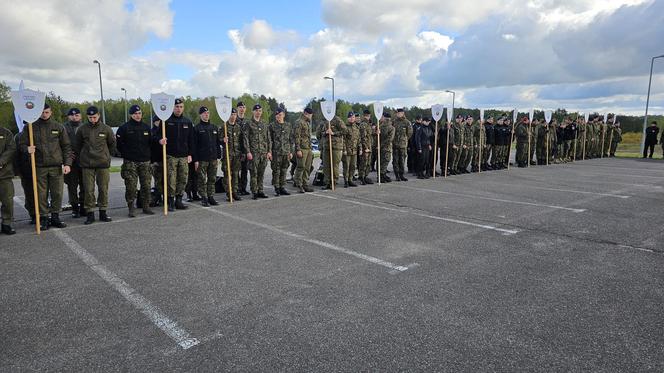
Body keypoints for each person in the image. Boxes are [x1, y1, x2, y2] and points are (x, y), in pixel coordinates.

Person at [19, 104, 72, 230]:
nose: (44, 114)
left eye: (47, 112)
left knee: (57, 193)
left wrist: (68, 164)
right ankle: (43, 218)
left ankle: (55, 216)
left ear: (51, 112)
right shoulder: (30, 127)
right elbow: (21, 145)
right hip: (39, 166)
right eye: (42, 112)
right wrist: (27, 149)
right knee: (41, 194)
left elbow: (66, 147)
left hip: (56, 166)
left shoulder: (58, 127)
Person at [74, 106, 116, 225]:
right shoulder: (82, 129)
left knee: (103, 189)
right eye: (90, 117)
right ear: (87, 117)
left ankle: (103, 212)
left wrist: (107, 156)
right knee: (88, 190)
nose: (92, 119)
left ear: (99, 116)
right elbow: (77, 146)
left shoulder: (106, 129)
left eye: (95, 117)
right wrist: (82, 157)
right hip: (87, 164)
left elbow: (112, 144)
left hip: (102, 164)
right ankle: (90, 214)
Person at [156, 98, 194, 211]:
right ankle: (171, 201)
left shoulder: (187, 122)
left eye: (181, 107)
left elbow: (191, 140)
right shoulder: (166, 121)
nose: (179, 109)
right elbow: (157, 136)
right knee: (171, 180)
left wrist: (190, 154)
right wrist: (160, 140)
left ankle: (179, 200)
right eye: (177, 107)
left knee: (183, 179)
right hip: (171, 156)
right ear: (173, 107)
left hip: (184, 156)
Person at [116, 105, 154, 217]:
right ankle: (131, 207)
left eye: (139, 113)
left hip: (145, 161)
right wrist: (127, 154)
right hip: (130, 162)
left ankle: (146, 206)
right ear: (131, 115)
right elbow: (119, 145)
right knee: (131, 186)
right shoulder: (124, 128)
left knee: (146, 186)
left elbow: (151, 143)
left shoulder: (146, 127)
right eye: (135, 114)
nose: (138, 116)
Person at [192, 106, 222, 206]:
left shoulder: (214, 128)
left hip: (213, 158)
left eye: (208, 113)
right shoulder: (197, 128)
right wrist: (195, 160)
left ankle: (211, 196)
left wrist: (218, 156)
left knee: (212, 178)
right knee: (201, 179)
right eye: (204, 113)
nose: (206, 115)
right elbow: (194, 146)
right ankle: (203, 197)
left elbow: (217, 143)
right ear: (200, 115)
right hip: (202, 159)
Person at [62, 108, 85, 218]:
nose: (74, 117)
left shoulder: (85, 127)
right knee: (72, 187)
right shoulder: (63, 128)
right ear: (68, 116)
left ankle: (84, 206)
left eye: (77, 115)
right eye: (72, 115)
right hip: (70, 162)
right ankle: (75, 208)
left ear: (80, 116)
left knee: (85, 185)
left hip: (84, 161)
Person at [222, 108, 248, 201]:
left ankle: (235, 192)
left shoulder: (238, 127)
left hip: (237, 155)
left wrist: (243, 152)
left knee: (236, 174)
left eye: (234, 115)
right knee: (228, 175)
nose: (233, 116)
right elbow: (218, 140)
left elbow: (242, 141)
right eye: (231, 115)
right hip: (228, 155)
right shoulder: (223, 127)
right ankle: (229, 193)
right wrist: (222, 140)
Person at [246, 104, 271, 199]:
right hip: (253, 153)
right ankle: (254, 191)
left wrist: (269, 151)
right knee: (254, 173)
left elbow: (268, 138)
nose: (258, 112)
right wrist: (248, 151)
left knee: (261, 173)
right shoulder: (249, 124)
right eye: (256, 111)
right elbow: (246, 138)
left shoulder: (264, 123)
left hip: (263, 152)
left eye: (260, 111)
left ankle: (260, 190)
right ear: (253, 112)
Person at [317, 113, 347, 189]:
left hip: (335, 147)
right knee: (326, 166)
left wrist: (333, 133)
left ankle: (334, 182)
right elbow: (319, 134)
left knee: (334, 166)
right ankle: (327, 182)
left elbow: (344, 131)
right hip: (326, 146)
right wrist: (325, 132)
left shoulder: (337, 120)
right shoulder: (324, 121)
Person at [269, 108, 293, 196]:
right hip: (276, 152)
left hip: (286, 152)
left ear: (283, 115)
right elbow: (269, 140)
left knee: (284, 170)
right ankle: (277, 187)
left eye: (280, 115)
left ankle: (282, 187)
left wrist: (290, 151)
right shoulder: (272, 126)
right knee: (276, 171)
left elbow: (291, 139)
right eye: (277, 115)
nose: (278, 116)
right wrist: (269, 152)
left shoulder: (288, 125)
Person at [293, 107, 315, 192]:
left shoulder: (307, 123)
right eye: (310, 114)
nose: (311, 116)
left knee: (307, 167)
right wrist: (298, 149)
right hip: (302, 148)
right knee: (301, 167)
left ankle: (305, 184)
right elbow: (296, 136)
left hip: (308, 148)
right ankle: (299, 184)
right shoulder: (299, 122)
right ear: (306, 113)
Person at [0, 126, 16, 234]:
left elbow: (11, 149)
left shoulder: (6, 133)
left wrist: (1, 161)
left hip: (4, 173)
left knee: (7, 200)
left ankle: (6, 223)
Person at [391, 108, 413, 181]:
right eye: (397, 113)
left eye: (399, 113)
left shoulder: (407, 122)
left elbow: (409, 133)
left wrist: (404, 139)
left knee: (402, 160)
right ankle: (397, 175)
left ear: (402, 113)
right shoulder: (394, 122)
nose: (397, 114)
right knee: (395, 161)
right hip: (395, 145)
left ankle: (401, 175)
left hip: (403, 145)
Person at [342, 111, 361, 187]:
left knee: (353, 166)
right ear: (348, 118)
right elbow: (342, 139)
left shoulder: (356, 127)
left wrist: (360, 149)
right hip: (347, 150)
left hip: (354, 150)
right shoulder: (345, 127)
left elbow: (358, 139)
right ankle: (346, 181)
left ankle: (350, 179)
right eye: (350, 117)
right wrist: (344, 150)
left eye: (353, 117)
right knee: (346, 166)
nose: (352, 119)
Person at [236, 102, 251, 196]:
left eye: (244, 107)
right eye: (240, 107)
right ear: (237, 108)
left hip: (245, 149)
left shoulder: (247, 121)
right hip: (237, 149)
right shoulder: (233, 119)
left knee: (245, 170)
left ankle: (243, 188)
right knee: (236, 170)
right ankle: (237, 188)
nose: (242, 109)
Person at [357, 109, 374, 185]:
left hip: (369, 146)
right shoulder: (363, 124)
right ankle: (361, 177)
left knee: (368, 163)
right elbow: (363, 137)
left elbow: (369, 135)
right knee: (363, 163)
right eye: (367, 116)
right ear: (365, 116)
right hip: (365, 147)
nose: (368, 117)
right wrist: (366, 147)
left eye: (368, 116)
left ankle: (365, 176)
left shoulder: (368, 124)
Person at [378, 112, 395, 182]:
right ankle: (381, 176)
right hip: (387, 147)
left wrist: (380, 145)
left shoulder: (380, 126)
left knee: (381, 161)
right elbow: (390, 139)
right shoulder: (391, 127)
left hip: (380, 147)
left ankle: (382, 175)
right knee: (385, 161)